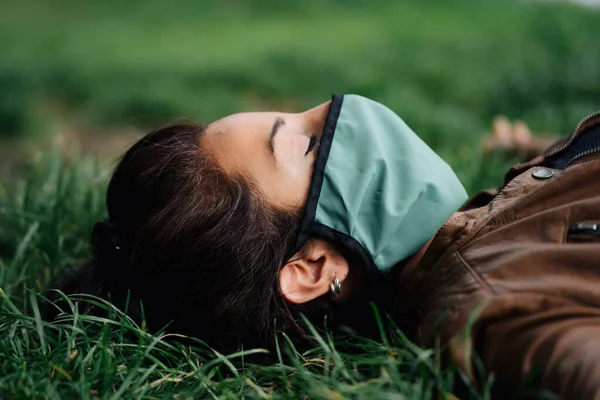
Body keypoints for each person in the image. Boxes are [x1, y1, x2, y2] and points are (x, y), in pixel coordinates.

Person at [47, 95, 600, 399]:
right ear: (312, 267)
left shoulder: (488, 216)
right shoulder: (500, 306)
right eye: (308, 143)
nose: (342, 108)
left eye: (298, 112)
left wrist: (534, 149)